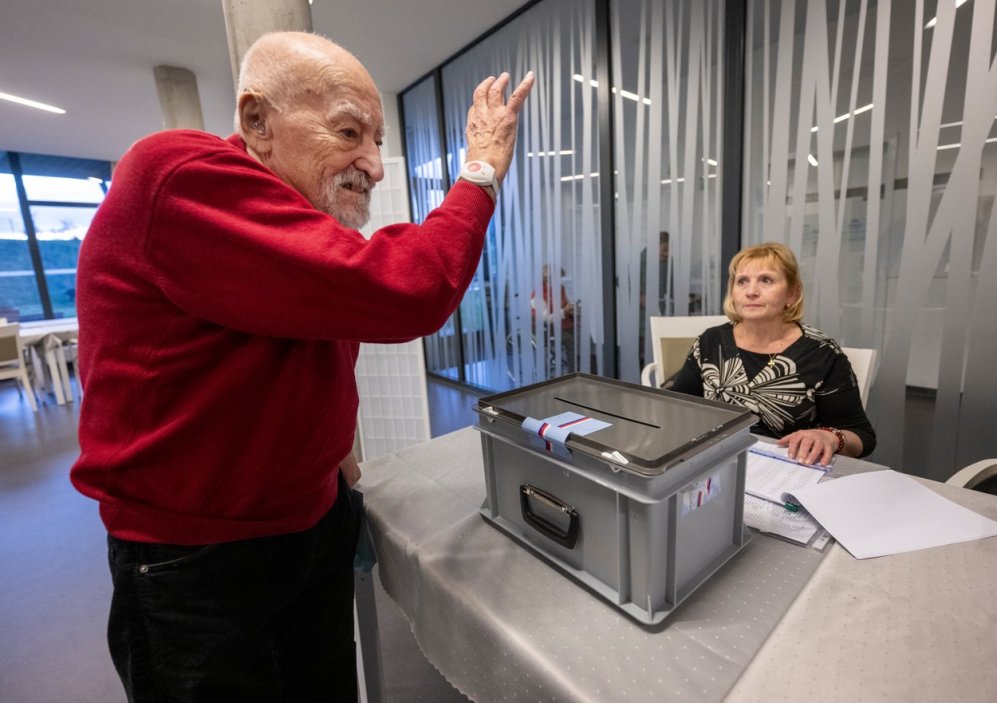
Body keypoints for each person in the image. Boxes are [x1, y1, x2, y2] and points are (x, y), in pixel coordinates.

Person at [69, 31, 533, 702]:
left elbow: (309, 349)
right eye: (349, 132)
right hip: (200, 563)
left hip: (308, 527)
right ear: (257, 121)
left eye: (376, 141)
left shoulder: (295, 225)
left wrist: (330, 469)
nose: (373, 165)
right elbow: (408, 288)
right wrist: (482, 169)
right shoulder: (176, 172)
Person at [668, 242, 876, 465]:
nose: (751, 292)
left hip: (788, 471)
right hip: (718, 464)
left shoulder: (822, 353)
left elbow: (862, 437)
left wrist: (831, 437)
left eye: (766, 280)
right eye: (742, 281)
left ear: (792, 294)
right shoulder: (711, 341)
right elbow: (678, 407)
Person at [530, 264, 575, 373]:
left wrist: (573, 308)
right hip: (545, 326)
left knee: (584, 335)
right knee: (570, 340)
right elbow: (546, 318)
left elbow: (567, 304)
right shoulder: (538, 295)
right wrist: (564, 311)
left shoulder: (560, 289)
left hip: (563, 322)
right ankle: (573, 371)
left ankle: (588, 366)